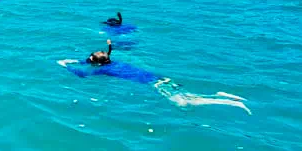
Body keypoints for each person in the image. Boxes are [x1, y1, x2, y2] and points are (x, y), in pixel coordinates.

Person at [58, 40, 251, 114]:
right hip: (163, 79)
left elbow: (82, 75)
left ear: (98, 63)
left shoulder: (103, 70)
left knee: (185, 103)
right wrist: (76, 59)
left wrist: (65, 65)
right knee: (189, 97)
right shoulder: (112, 63)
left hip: (158, 85)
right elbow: (92, 60)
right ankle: (223, 96)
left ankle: (229, 102)